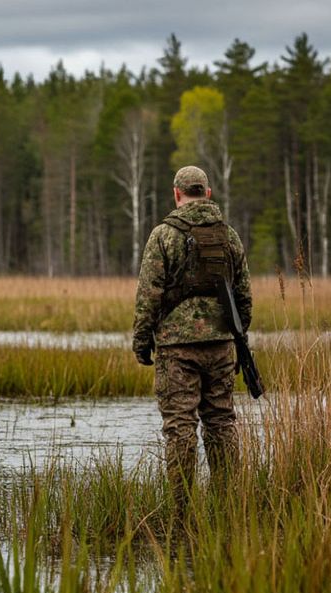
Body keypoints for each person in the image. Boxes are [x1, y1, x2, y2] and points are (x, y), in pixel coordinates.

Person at [132, 165, 252, 518]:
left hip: (176, 348)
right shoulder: (229, 236)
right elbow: (244, 295)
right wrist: (236, 334)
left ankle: (181, 509)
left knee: (180, 426)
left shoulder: (162, 236)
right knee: (221, 421)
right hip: (221, 345)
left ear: (177, 194)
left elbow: (148, 295)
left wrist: (142, 340)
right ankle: (229, 504)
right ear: (208, 193)